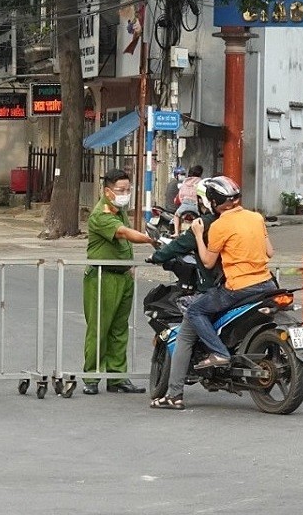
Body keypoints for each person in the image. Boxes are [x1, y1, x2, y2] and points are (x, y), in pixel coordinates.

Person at [151, 175, 276, 409]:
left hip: (238, 288)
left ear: (212, 201)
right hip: (267, 284)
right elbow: (270, 251)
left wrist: (198, 234)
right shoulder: (256, 217)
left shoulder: (218, 225)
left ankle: (202, 369)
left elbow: (208, 262)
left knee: (194, 312)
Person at [83, 168, 156, 395]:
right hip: (103, 277)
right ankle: (92, 376)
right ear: (108, 191)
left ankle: (117, 377)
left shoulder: (118, 209)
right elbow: (123, 234)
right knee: (99, 328)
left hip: (122, 276)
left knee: (119, 329)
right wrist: (151, 239)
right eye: (121, 190)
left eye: (128, 189)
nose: (125, 193)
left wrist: (130, 265)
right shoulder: (101, 213)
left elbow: (123, 242)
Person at [173, 165, 204, 234]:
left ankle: (176, 233)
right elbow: (202, 196)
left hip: (184, 205)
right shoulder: (201, 182)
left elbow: (180, 195)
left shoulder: (185, 182)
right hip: (196, 206)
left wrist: (183, 202)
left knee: (176, 216)